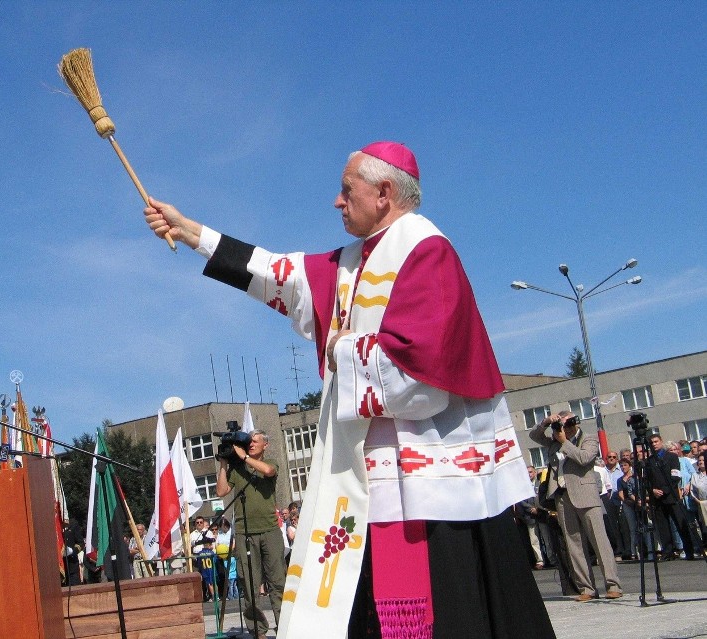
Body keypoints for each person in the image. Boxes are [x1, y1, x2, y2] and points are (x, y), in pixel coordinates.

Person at [144, 141, 552, 639]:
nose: (336, 201)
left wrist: (341, 347)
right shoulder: (351, 263)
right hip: (367, 479)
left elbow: (422, 379)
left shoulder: (426, 249)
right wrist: (191, 233)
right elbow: (279, 274)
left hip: (429, 481)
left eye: (346, 189)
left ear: (384, 192)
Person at [529, 411, 623, 601]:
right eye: (563, 424)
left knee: (599, 541)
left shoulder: (587, 439)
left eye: (569, 423)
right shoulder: (554, 440)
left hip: (586, 495)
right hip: (562, 497)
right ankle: (586, 588)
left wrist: (565, 442)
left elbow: (584, 458)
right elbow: (534, 435)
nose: (567, 427)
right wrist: (547, 422)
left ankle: (613, 585)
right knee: (574, 544)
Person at [215, 430, 286, 639]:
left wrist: (245, 457)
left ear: (265, 445)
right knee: (249, 585)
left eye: (256, 441)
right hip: (245, 532)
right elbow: (221, 491)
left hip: (270, 530)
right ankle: (258, 631)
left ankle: (284, 626)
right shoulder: (238, 468)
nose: (251, 444)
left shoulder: (271, 461)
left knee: (277, 582)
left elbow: (269, 470)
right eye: (249, 441)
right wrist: (223, 464)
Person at [645, 433, 697, 561]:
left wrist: (664, 490)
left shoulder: (672, 457)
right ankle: (668, 552)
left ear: (661, 442)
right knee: (663, 527)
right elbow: (646, 480)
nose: (654, 444)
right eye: (652, 443)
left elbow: (676, 476)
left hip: (672, 496)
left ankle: (689, 550)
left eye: (656, 441)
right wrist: (653, 491)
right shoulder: (649, 461)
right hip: (657, 498)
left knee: (681, 524)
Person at [616, 458, 639, 560]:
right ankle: (634, 552)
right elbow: (621, 495)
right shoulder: (620, 480)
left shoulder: (635, 477)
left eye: (625, 465)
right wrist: (629, 502)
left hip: (638, 503)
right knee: (632, 528)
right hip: (628, 504)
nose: (623, 467)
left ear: (629, 466)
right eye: (621, 466)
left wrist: (637, 501)